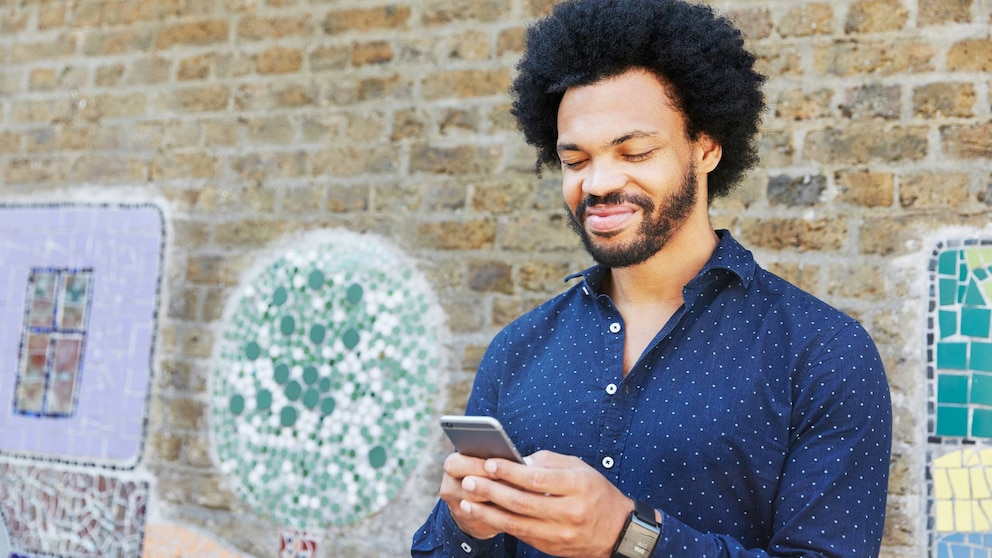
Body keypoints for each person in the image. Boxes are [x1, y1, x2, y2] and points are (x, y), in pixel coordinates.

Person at [412, 0, 892, 556]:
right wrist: (465, 527)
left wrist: (628, 534)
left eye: (634, 151)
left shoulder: (823, 354)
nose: (598, 182)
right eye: (576, 161)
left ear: (706, 146)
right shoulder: (517, 351)